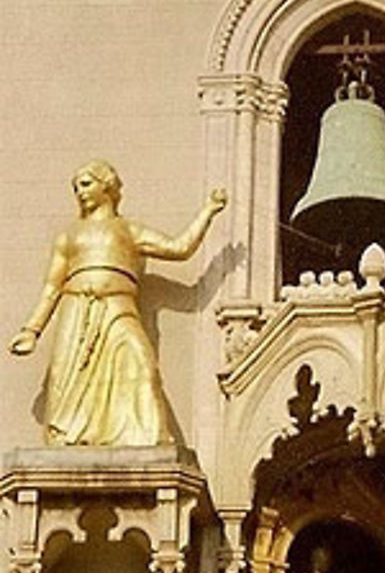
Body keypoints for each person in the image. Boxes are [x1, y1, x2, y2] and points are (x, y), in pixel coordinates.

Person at [9, 160, 227, 447]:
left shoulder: (128, 231)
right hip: (76, 312)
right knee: (67, 383)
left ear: (107, 185)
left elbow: (179, 248)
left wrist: (208, 212)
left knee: (142, 365)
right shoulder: (69, 236)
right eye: (76, 187)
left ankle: (147, 439)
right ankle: (72, 439)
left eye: (86, 184)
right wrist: (31, 330)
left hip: (118, 309)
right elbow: (52, 287)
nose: (79, 192)